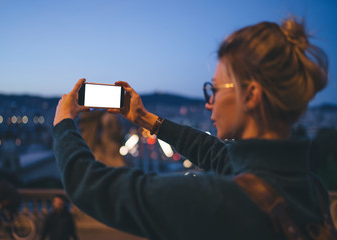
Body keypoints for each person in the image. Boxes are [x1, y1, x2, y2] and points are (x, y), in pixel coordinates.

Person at [52, 17, 335, 239]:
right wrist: (145, 119)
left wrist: (64, 124)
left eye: (214, 89)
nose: (209, 103)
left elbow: (91, 187)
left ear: (250, 95)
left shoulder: (220, 202)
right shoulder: (312, 188)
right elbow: (219, 156)